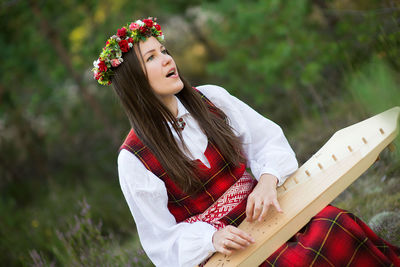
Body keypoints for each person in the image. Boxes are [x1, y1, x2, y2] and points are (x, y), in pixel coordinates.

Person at [93, 17, 400, 267]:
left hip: (272, 211)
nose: (167, 59)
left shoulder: (211, 99)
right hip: (230, 252)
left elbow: (266, 141)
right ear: (134, 80)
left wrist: (267, 181)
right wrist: (210, 239)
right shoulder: (134, 159)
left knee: (335, 224)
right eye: (151, 57)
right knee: (298, 262)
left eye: (163, 50)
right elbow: (160, 240)